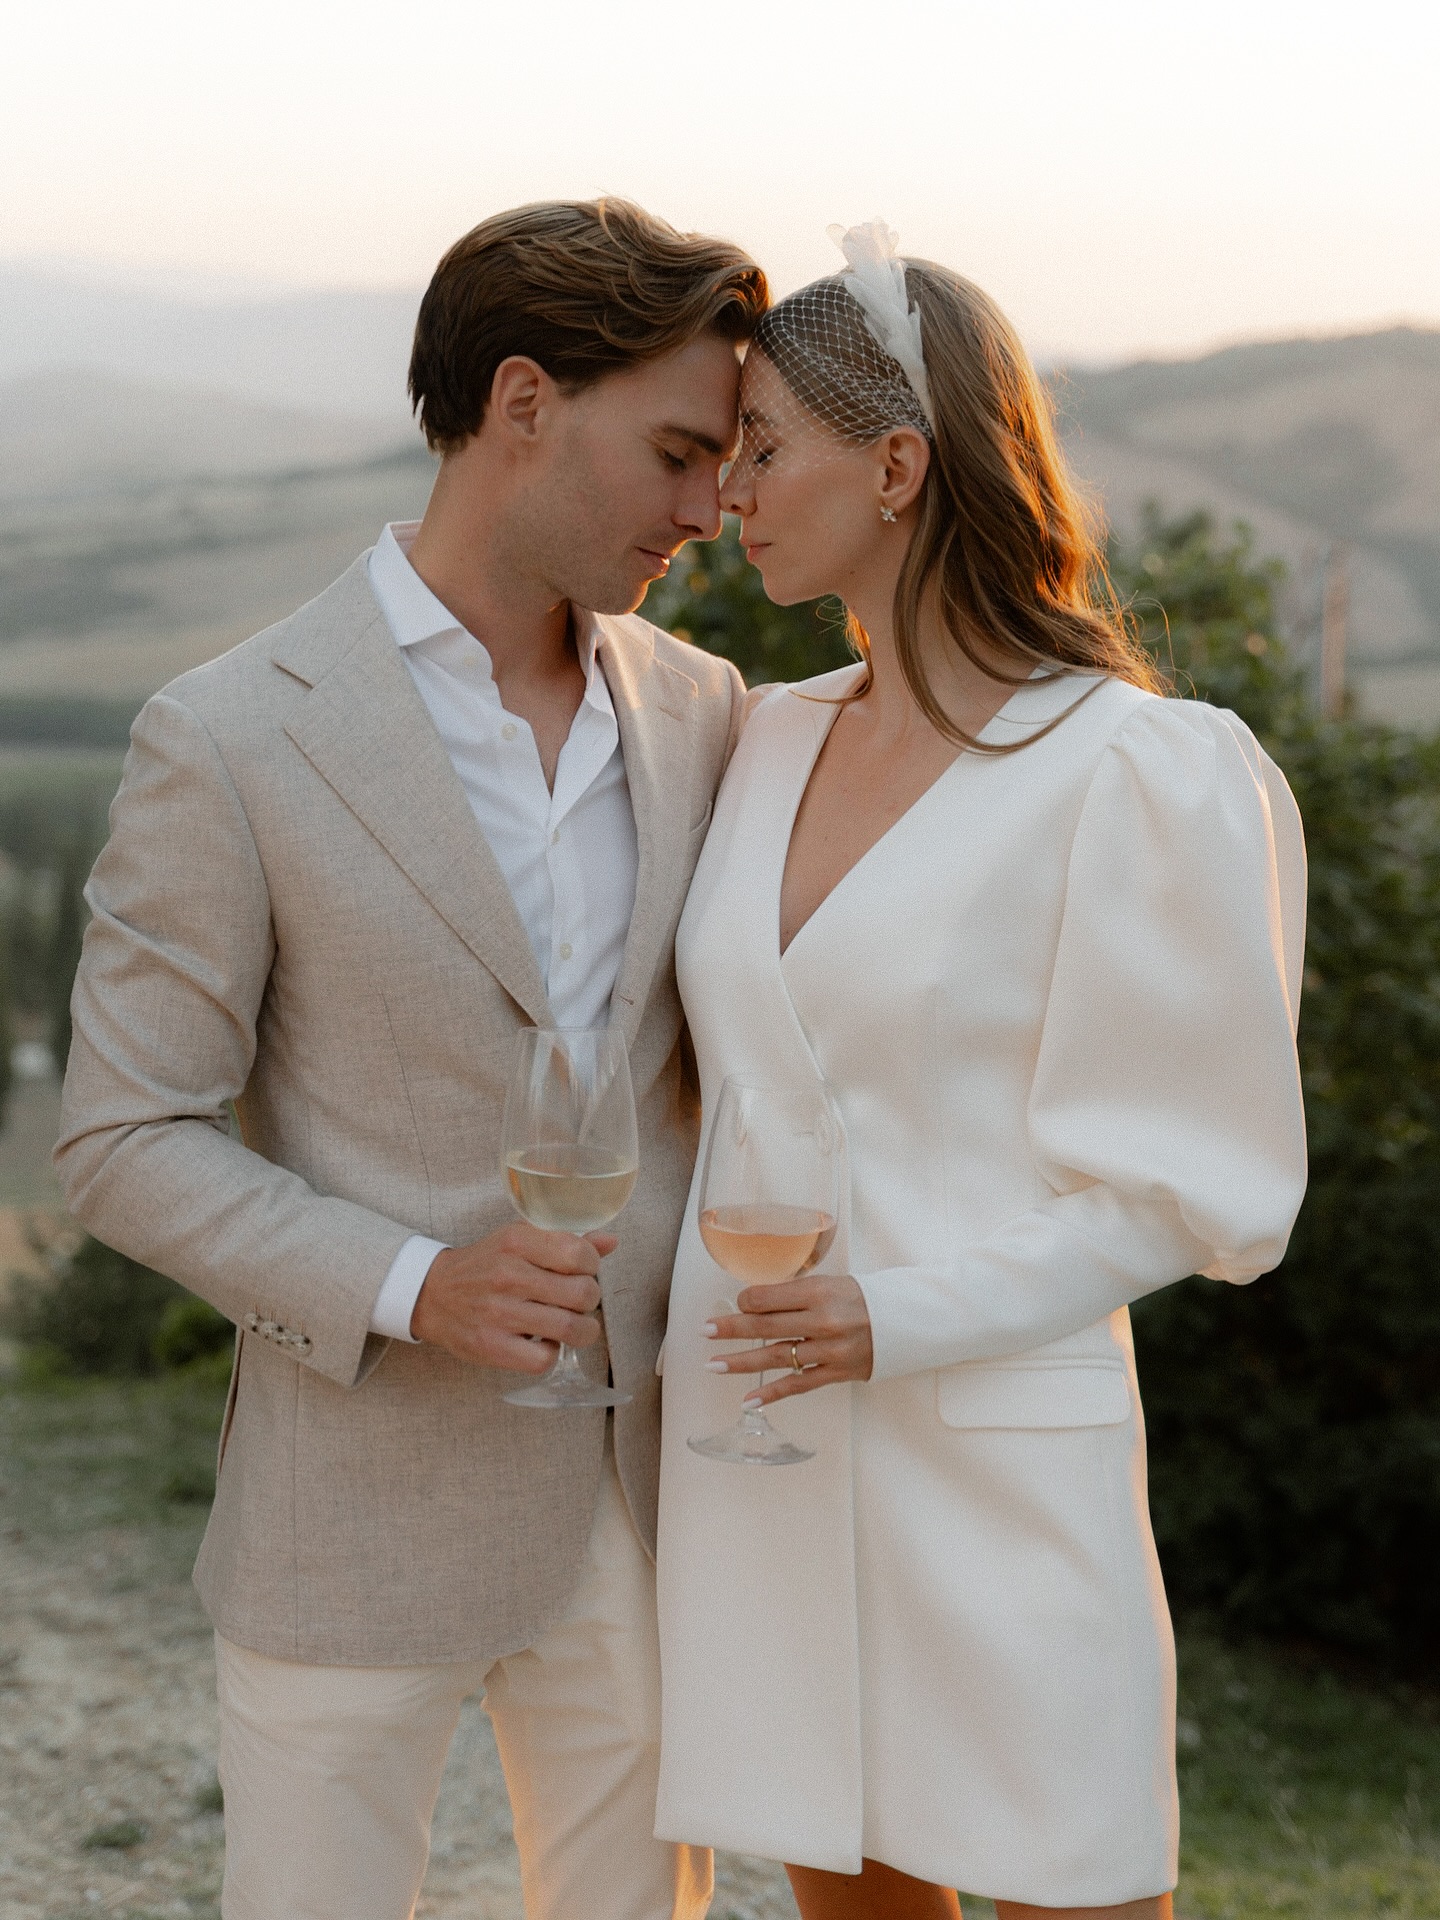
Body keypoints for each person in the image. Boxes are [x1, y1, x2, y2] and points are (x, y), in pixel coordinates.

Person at [54, 198, 766, 1920]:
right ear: (522, 402)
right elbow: (123, 1137)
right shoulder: (228, 735)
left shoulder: (709, 712)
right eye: (679, 452)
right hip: (352, 1504)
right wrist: (414, 1284)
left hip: (640, 1500)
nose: (708, 511)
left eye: (725, 465)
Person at [654, 223, 1308, 1920]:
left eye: (764, 448)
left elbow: (1192, 1186)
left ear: (896, 466)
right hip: (763, 1445)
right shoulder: (764, 736)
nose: (730, 491)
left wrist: (899, 1313)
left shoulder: (1137, 770)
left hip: (998, 1465)